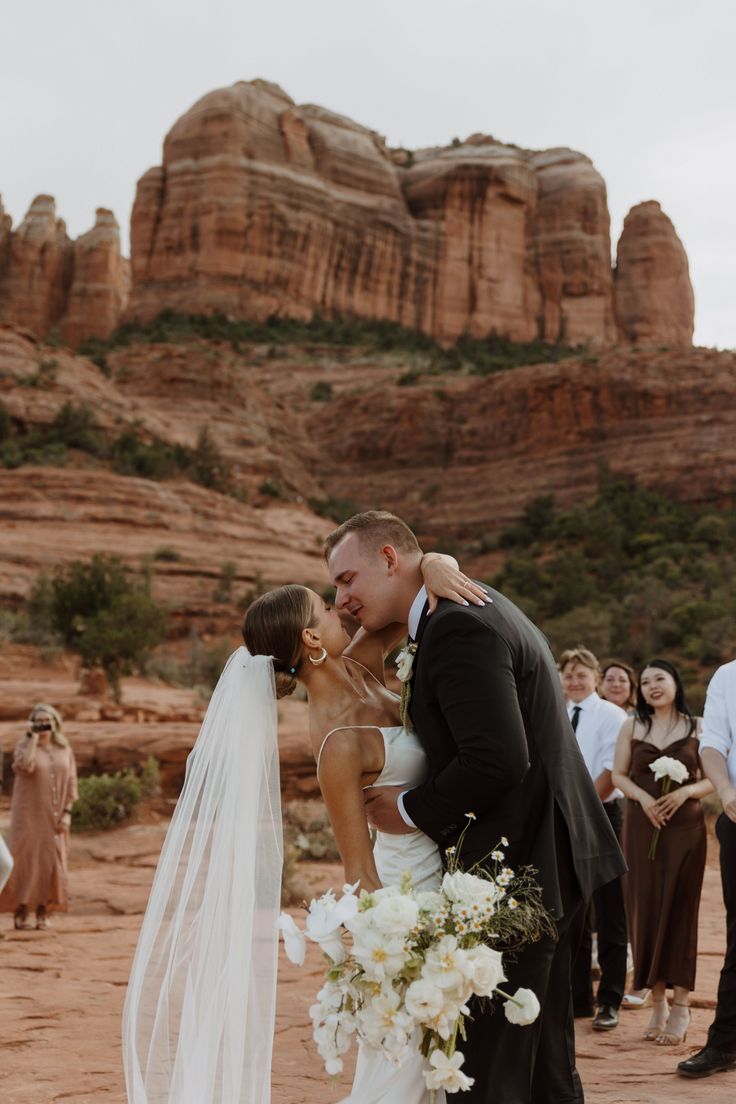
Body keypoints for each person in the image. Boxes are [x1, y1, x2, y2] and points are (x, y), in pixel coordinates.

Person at [122, 553, 485, 1104]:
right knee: (410, 1062)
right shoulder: (336, 743)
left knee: (438, 1058)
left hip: (447, 858)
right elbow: (359, 870)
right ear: (313, 642)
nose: (341, 607)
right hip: (408, 890)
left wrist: (436, 562)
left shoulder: (361, 667)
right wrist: (404, 951)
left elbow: (397, 609)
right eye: (326, 607)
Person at [325, 511, 627, 1104]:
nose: (340, 600)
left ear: (389, 559)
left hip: (522, 867)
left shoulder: (457, 625)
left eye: (346, 580)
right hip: (547, 856)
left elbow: (497, 759)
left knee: (491, 1069)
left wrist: (410, 808)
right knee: (539, 1059)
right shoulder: (451, 612)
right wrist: (432, 563)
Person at [611, 660, 713, 1046]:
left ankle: (682, 1003)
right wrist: (642, 798)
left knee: (682, 909)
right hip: (641, 826)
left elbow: (715, 777)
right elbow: (619, 774)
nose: (653, 686)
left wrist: (686, 791)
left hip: (685, 828)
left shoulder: (698, 726)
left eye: (661, 679)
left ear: (676, 684)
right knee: (645, 909)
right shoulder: (632, 725)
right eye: (647, 681)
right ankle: (657, 1003)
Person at [559, 647, 628, 1031]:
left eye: (582, 674)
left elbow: (608, 770)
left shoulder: (611, 715)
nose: (575, 681)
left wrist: (580, 811)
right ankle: (578, 999)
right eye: (569, 675)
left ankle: (611, 1000)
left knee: (609, 908)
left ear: (596, 678)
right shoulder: (558, 712)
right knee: (574, 912)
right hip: (564, 819)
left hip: (601, 815)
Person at [677, 657, 736, 1079]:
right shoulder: (728, 676)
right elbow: (713, 743)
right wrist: (727, 792)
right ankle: (725, 1044)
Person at [0, 704, 78, 930]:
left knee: (51, 861)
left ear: (55, 723)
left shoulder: (65, 749)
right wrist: (32, 738)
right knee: (24, 860)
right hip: (29, 815)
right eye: (39, 721)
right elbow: (24, 767)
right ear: (32, 724)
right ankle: (21, 908)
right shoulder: (24, 746)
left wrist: (68, 814)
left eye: (48, 721)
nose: (44, 725)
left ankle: (44, 909)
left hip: (55, 816)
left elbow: (72, 782)